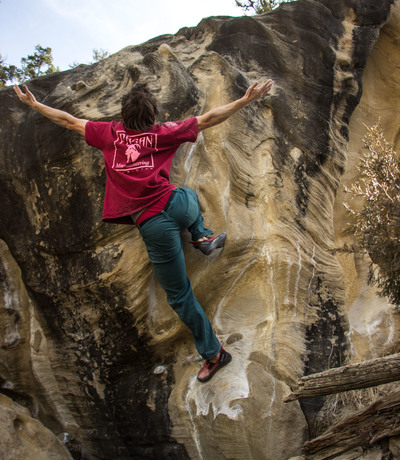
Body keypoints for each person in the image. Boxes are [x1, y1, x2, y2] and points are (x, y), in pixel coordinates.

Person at [13, 77, 273, 382]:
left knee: (179, 296)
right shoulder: (164, 132)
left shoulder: (109, 134)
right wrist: (245, 100)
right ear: (153, 116)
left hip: (155, 225)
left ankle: (215, 355)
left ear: (123, 116)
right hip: (177, 205)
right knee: (187, 193)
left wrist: (34, 104)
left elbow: (68, 121)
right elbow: (209, 119)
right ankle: (200, 233)